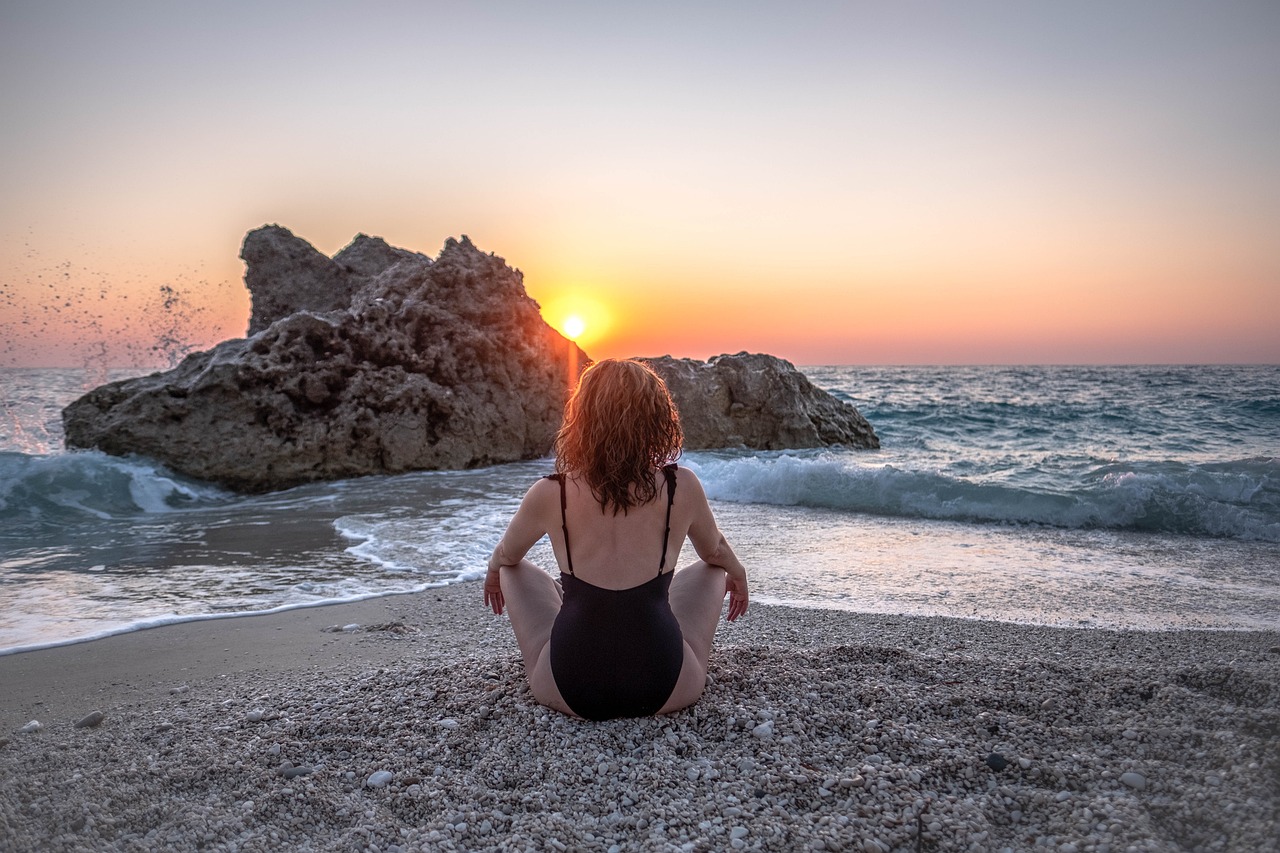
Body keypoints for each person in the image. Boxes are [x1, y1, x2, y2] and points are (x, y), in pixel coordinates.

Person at [483, 358, 750, 721]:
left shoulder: (552, 493)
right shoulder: (679, 486)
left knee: (513, 569)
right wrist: (738, 573)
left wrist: (494, 568)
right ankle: (648, 620)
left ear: (582, 421)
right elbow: (714, 550)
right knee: (712, 571)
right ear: (657, 419)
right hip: (665, 687)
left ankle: (580, 610)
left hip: (570, 689)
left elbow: (507, 553)